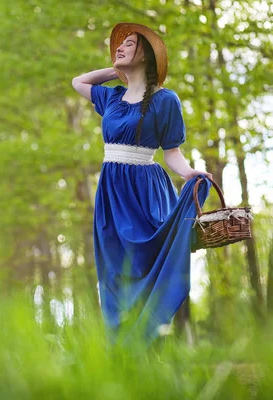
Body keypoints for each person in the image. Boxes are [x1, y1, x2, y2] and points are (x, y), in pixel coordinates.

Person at [71, 23, 213, 346]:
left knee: (145, 266)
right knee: (113, 275)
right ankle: (121, 352)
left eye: (129, 45)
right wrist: (117, 69)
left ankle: (152, 346)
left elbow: (171, 153)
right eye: (118, 45)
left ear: (146, 56)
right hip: (110, 195)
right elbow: (77, 82)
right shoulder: (111, 98)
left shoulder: (166, 101)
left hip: (144, 191)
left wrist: (191, 173)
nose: (119, 48)